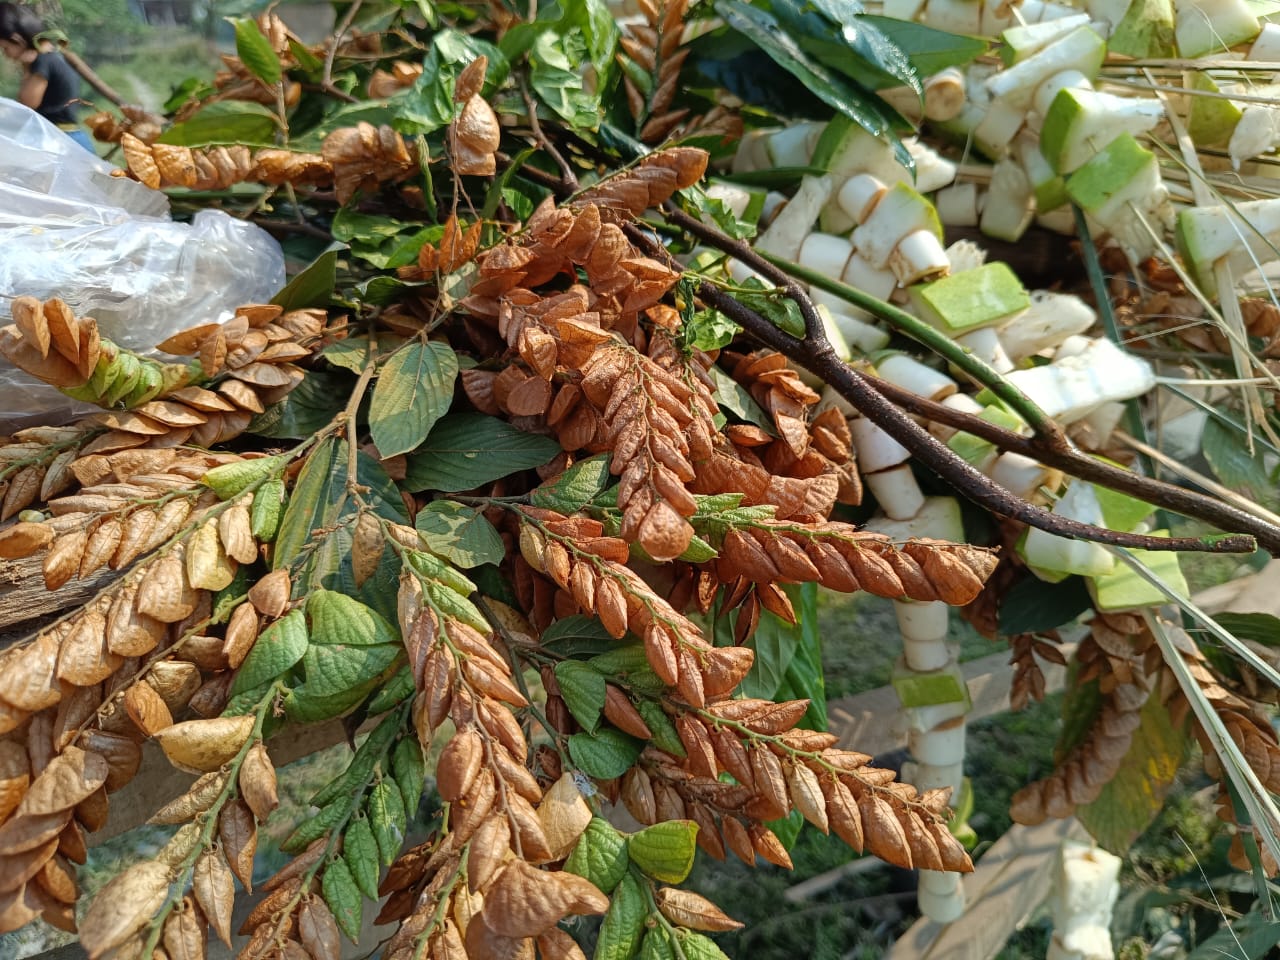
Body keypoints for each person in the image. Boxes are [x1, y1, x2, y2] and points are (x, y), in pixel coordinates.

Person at [0, 3, 94, 152]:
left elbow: (27, 104)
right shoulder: (53, 57)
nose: (6, 55)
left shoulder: (43, 61)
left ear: (18, 40)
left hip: (61, 141)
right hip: (66, 137)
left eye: (5, 48)